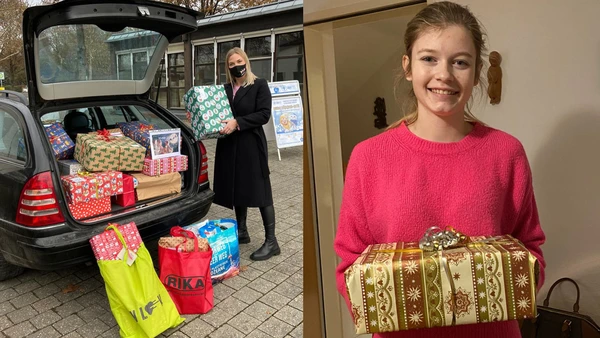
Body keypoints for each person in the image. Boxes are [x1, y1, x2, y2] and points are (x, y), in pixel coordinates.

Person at [333, 2, 546, 338]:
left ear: (476, 73)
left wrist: (511, 285)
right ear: (407, 66)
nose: (444, 74)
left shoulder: (506, 153)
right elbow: (350, 261)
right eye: (429, 58)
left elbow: (531, 249)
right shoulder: (368, 158)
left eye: (460, 62)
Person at [212, 47, 280, 261]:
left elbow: (263, 114)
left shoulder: (259, 85)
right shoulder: (225, 88)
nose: (236, 66)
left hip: (251, 144)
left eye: (239, 61)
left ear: (246, 62)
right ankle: (242, 231)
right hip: (230, 145)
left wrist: (238, 123)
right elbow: (217, 113)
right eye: (232, 64)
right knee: (236, 186)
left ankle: (272, 242)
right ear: (227, 67)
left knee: (261, 190)